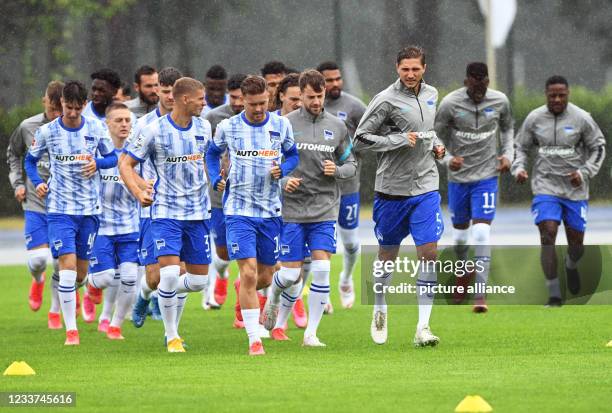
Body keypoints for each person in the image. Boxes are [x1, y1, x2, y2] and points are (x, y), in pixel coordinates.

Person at [353, 46, 446, 347]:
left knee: (429, 254)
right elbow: (361, 139)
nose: (410, 74)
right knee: (386, 258)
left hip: (426, 186)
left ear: (424, 68)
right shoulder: (384, 100)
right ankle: (380, 306)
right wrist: (396, 140)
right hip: (391, 190)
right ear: (397, 68)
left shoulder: (432, 94)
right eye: (405, 69)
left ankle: (423, 328)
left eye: (415, 69)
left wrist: (437, 147)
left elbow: (427, 131)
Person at [206, 75, 298, 356]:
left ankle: (241, 288)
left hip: (270, 211)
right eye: (252, 104)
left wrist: (283, 169)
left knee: (267, 276)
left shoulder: (281, 125)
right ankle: (253, 340)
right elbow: (211, 154)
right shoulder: (228, 127)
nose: (258, 109)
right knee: (247, 272)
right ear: (242, 101)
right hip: (237, 211)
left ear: (269, 99)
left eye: (262, 103)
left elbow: (292, 155)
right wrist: (214, 177)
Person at [262, 69, 356, 346]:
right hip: (292, 210)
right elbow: (268, 164)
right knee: (290, 274)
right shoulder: (284, 124)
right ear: (299, 96)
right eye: (310, 97)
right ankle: (274, 298)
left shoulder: (338, 127)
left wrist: (337, 170)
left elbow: (351, 164)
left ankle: (311, 334)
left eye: (320, 96)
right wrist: (284, 181)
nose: (316, 101)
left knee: (322, 268)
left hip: (325, 208)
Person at [121, 77, 212, 353]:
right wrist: (140, 193)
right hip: (165, 213)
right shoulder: (152, 130)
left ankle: (146, 296)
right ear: (185, 99)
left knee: (197, 282)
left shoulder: (205, 127)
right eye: (200, 99)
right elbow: (125, 164)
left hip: (198, 214)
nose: (204, 103)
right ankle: (172, 336)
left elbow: (208, 162)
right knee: (168, 274)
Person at [24, 80, 118, 345]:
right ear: (61, 104)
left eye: (78, 108)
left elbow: (112, 158)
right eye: (68, 108)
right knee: (66, 266)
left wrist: (97, 164)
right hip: (59, 210)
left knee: (80, 273)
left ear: (84, 105)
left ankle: (85, 288)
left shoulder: (97, 128)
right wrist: (39, 182)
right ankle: (71, 331)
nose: (73, 113)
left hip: (89, 210)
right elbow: (30, 161)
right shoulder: (47, 132)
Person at [512, 75, 605, 307]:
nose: (556, 99)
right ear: (546, 94)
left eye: (561, 95)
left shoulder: (582, 118)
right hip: (545, 187)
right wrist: (519, 168)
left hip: (575, 190)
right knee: (548, 233)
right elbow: (520, 147)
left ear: (568, 94)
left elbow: (598, 147)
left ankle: (571, 266)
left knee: (576, 246)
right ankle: (554, 294)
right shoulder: (534, 118)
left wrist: (584, 172)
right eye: (552, 95)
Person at [434, 62, 514, 312]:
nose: (480, 88)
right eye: (475, 83)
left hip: (487, 177)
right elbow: (434, 136)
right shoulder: (450, 103)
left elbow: (508, 128)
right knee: (459, 238)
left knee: (480, 233)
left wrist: (508, 154)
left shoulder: (500, 101)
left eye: (484, 83)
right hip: (459, 179)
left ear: (488, 81)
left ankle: (480, 295)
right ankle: (463, 271)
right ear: (467, 81)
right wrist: (447, 159)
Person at [129, 67, 184, 328]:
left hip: (185, 211)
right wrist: (141, 188)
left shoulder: (194, 123)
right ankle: (143, 296)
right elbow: (125, 164)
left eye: (175, 92)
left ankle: (171, 331)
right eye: (165, 91)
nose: (170, 97)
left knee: (180, 273)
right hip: (153, 211)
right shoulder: (143, 125)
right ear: (158, 91)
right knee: (155, 277)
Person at [7, 81, 63, 326]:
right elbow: (13, 153)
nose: (57, 115)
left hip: (66, 205)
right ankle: (38, 280)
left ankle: (55, 310)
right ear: (45, 102)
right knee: (39, 259)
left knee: (63, 263)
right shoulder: (27, 126)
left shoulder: (75, 128)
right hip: (36, 203)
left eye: (60, 110)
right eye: (53, 109)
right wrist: (18, 183)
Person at [85, 103, 139, 339]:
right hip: (101, 227)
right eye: (118, 120)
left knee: (128, 278)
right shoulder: (97, 155)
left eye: (127, 120)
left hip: (130, 225)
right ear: (107, 125)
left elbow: (146, 183)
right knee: (106, 277)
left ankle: (114, 324)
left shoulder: (138, 154)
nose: (124, 124)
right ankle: (90, 283)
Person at [317, 60, 367, 310]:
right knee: (320, 244)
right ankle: (321, 293)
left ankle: (346, 279)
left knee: (349, 243)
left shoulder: (355, 106)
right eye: (329, 80)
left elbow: (371, 135)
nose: (335, 84)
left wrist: (356, 154)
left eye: (338, 79)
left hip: (347, 186)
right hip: (317, 188)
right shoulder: (311, 106)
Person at [202, 73, 246, 313]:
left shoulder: (260, 119)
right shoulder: (214, 118)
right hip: (219, 195)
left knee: (248, 251)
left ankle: (244, 299)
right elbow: (204, 154)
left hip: (249, 196)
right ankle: (221, 274)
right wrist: (215, 175)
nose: (238, 103)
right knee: (224, 252)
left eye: (242, 98)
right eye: (234, 97)